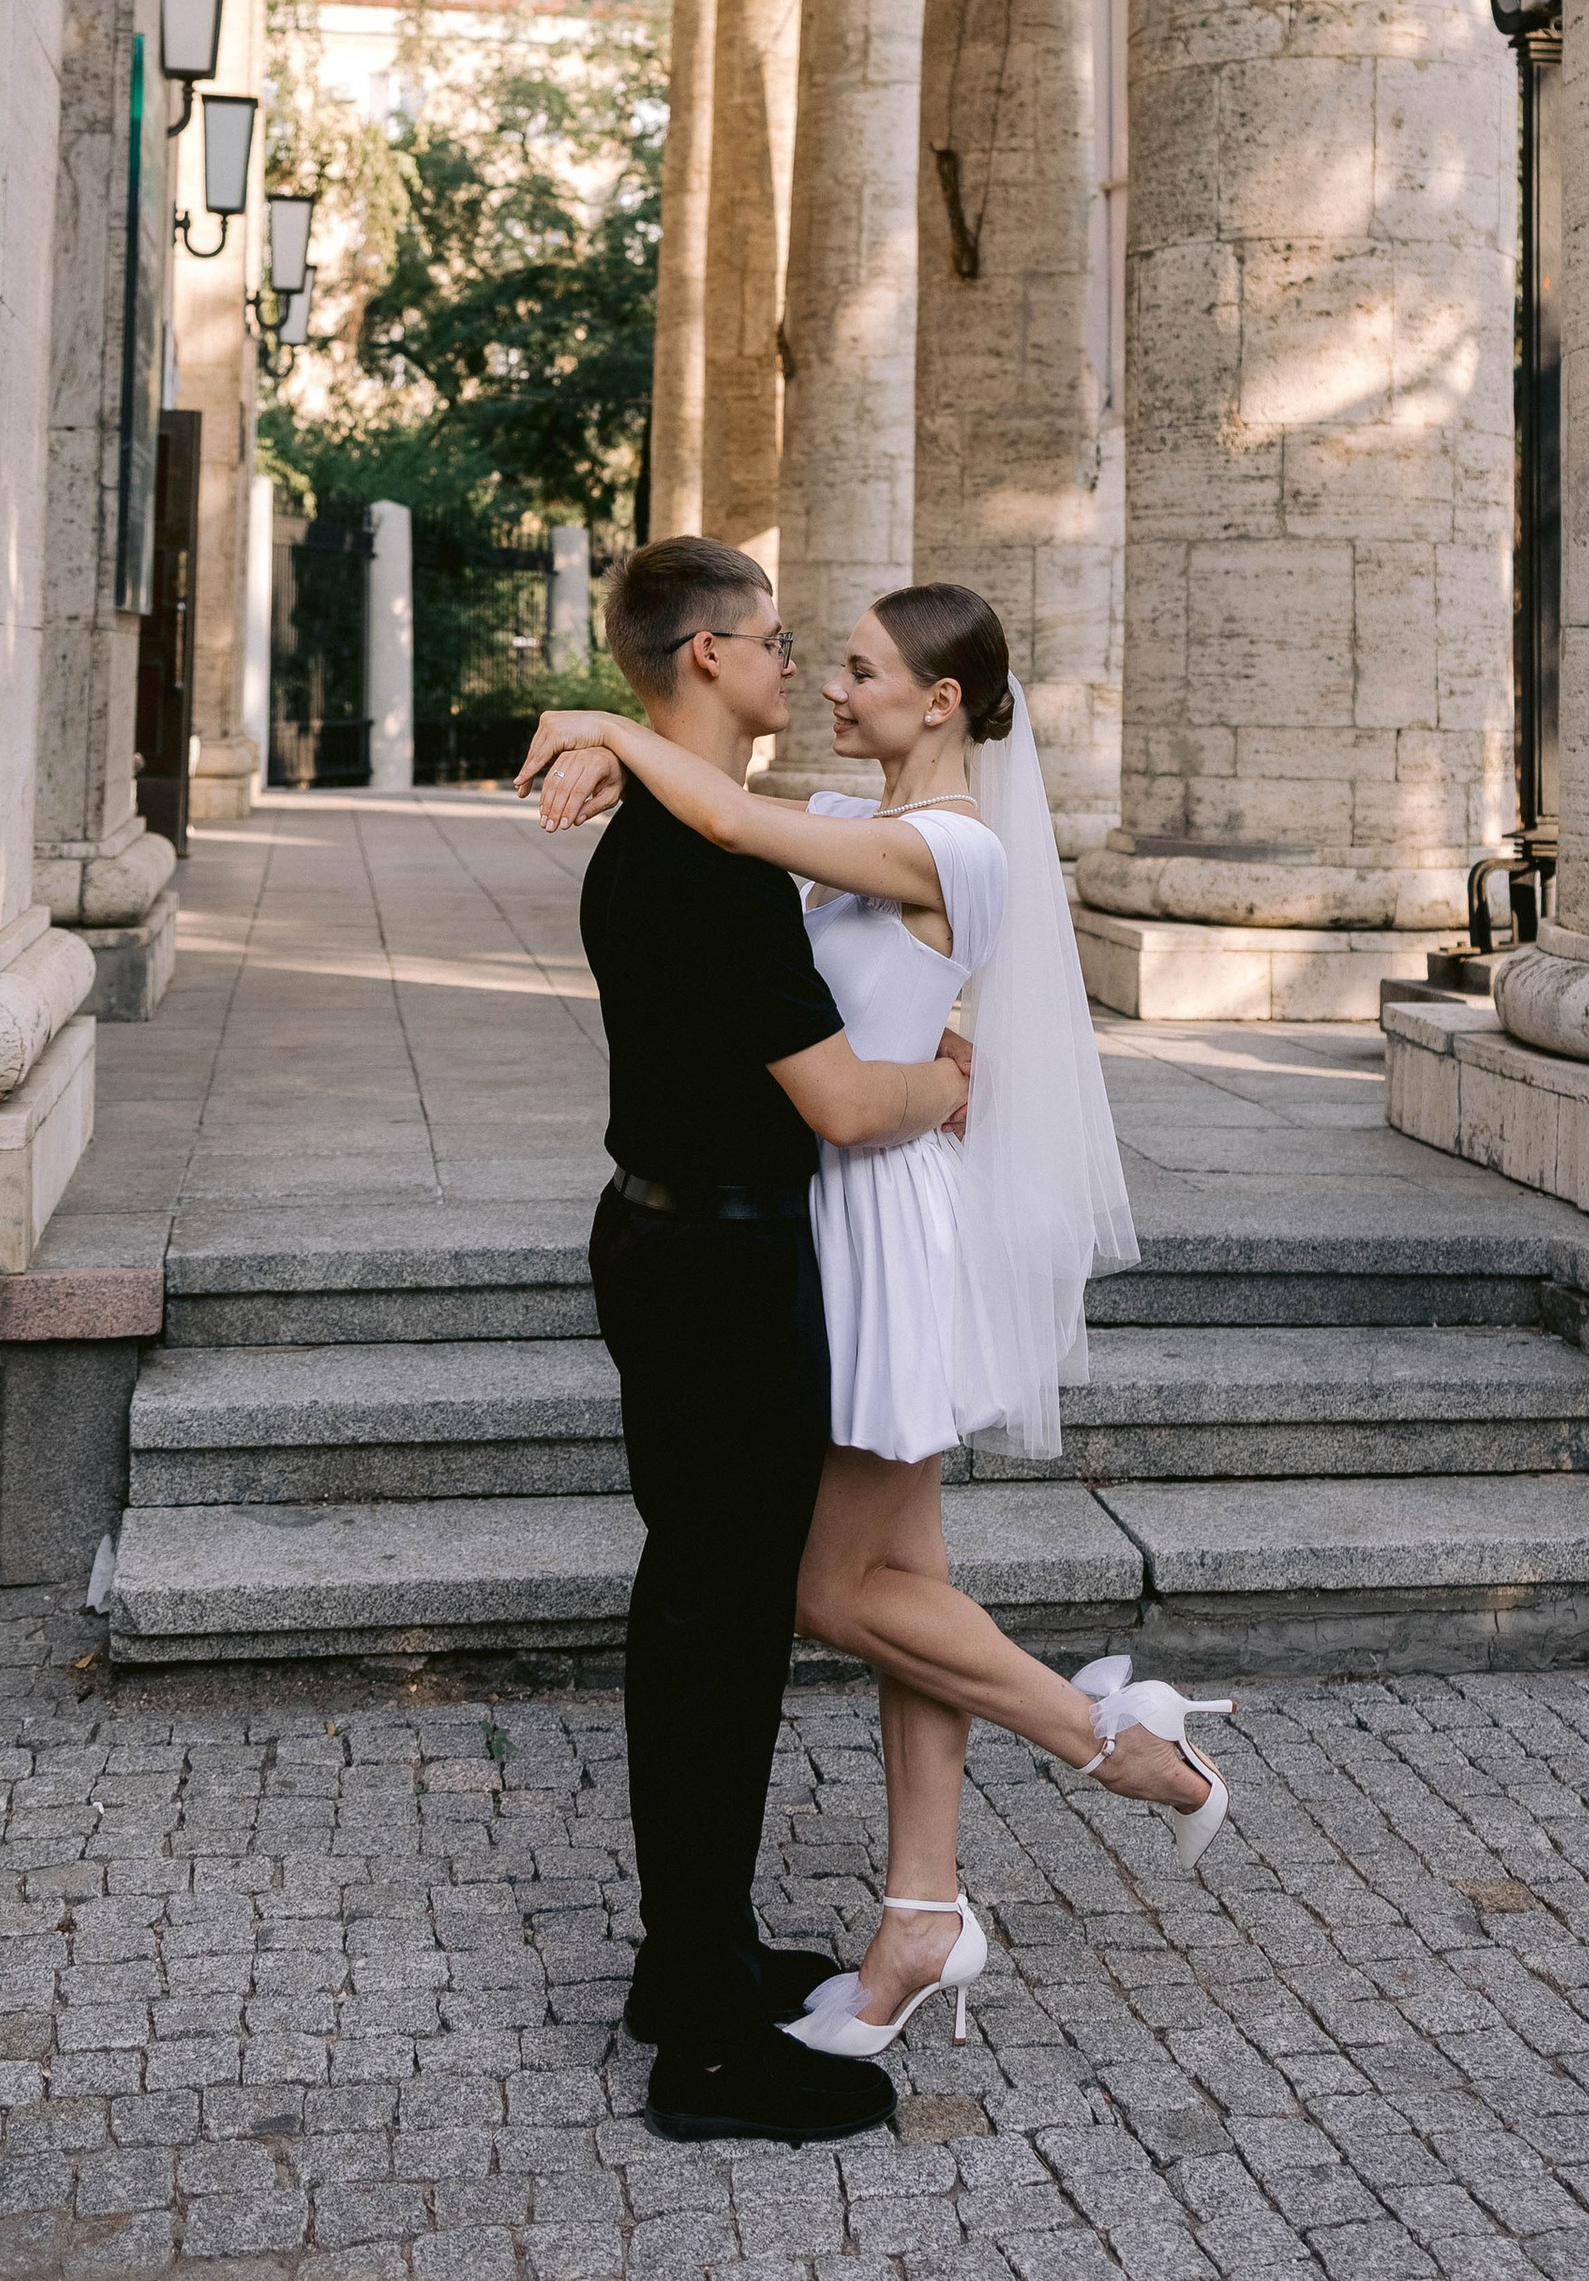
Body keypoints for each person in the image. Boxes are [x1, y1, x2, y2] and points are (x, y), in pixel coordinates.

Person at [522, 573, 1237, 2073]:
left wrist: (610, 725)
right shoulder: (856, 811)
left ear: (942, 700)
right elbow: (734, 822)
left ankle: (1108, 1739)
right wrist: (614, 738)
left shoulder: (950, 845)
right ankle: (924, 1906)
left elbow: (728, 821)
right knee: (903, 1577)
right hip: (821, 1214)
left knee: (835, 1588)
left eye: (856, 668)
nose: (829, 686)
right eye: (814, 658)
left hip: (874, 1222)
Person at [571, 535, 973, 2149]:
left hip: (667, 1240)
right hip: (721, 1274)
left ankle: (696, 1963)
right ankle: (710, 2048)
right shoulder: (712, 868)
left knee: (701, 1615)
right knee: (721, 1639)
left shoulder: (667, 832)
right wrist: (950, 1081)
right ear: (709, 659)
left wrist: (602, 740)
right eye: (777, 641)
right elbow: (846, 1104)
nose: (796, 665)